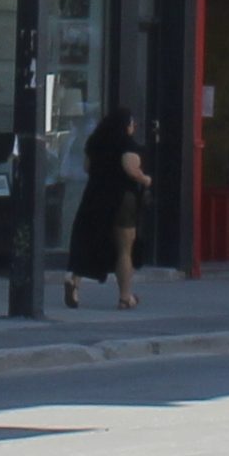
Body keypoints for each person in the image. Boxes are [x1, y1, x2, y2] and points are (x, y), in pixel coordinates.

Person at [62, 109, 150, 312]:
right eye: (132, 123)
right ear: (125, 125)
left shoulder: (94, 144)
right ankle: (125, 297)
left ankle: (74, 280)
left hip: (94, 196)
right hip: (121, 199)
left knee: (88, 240)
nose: (133, 127)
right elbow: (130, 168)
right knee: (124, 250)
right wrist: (145, 179)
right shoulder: (127, 145)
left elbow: (86, 168)